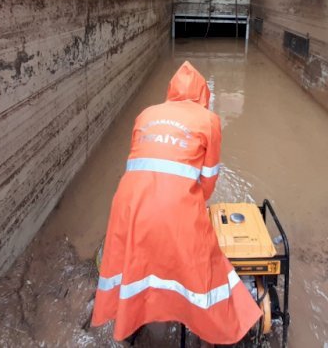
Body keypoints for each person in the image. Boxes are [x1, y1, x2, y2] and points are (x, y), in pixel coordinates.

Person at [91, 61, 261, 344]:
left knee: (136, 264)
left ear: (171, 91)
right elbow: (207, 179)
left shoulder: (146, 113)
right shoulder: (209, 121)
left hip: (128, 205)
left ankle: (133, 319)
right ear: (202, 95)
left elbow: (139, 163)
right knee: (201, 265)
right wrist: (194, 206)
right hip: (174, 208)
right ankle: (220, 325)